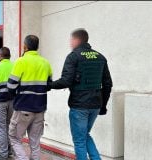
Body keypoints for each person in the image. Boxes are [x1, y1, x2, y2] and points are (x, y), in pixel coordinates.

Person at [49, 28, 113, 160]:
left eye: (71, 40)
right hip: (95, 105)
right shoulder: (100, 57)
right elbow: (107, 84)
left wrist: (48, 85)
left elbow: (65, 81)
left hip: (79, 106)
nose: (70, 43)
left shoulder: (73, 56)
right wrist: (103, 106)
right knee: (84, 135)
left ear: (76, 40)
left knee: (79, 140)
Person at [7, 35, 52, 160]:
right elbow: (49, 84)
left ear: (25, 47)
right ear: (37, 47)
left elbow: (11, 86)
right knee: (35, 141)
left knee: (14, 138)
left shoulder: (20, 61)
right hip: (40, 109)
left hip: (23, 108)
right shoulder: (45, 62)